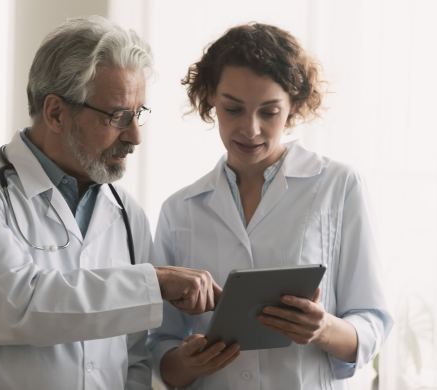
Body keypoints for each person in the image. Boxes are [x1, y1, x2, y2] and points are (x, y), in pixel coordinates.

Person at [0, 16, 221, 390]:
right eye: (118, 116)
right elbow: (14, 308)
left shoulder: (128, 215)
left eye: (138, 114)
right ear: (56, 112)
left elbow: (133, 357)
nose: (135, 135)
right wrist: (152, 283)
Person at [148, 22, 393, 389]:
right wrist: (187, 361)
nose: (250, 129)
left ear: (292, 105)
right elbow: (160, 349)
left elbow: (372, 320)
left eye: (269, 112)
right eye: (233, 109)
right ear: (212, 98)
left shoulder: (338, 186)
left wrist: (323, 328)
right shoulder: (179, 210)